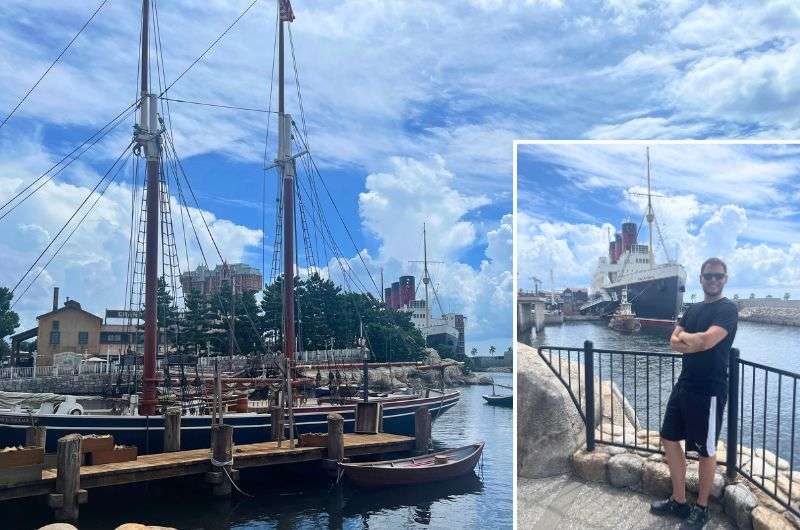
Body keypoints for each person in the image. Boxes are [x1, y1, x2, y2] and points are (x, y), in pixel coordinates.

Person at [650, 257, 738, 529]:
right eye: (708, 276)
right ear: (700, 279)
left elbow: (705, 340)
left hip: (709, 390)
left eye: (718, 276)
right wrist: (694, 342)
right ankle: (679, 500)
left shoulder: (728, 309)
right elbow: (673, 341)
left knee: (705, 451)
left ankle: (702, 508)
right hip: (684, 384)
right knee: (668, 437)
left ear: (725, 278)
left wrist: (692, 340)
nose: (713, 280)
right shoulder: (691, 309)